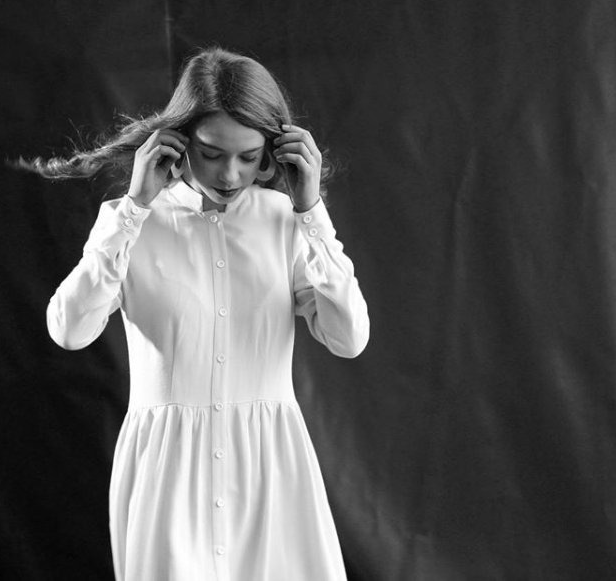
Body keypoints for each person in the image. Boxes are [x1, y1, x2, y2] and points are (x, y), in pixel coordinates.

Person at [33, 47, 369, 581]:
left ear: (272, 151)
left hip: (272, 471)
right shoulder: (129, 224)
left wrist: (312, 214)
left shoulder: (287, 222)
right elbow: (69, 331)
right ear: (179, 140)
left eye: (249, 156)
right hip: (166, 474)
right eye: (212, 153)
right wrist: (133, 210)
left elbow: (349, 338)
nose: (231, 174)